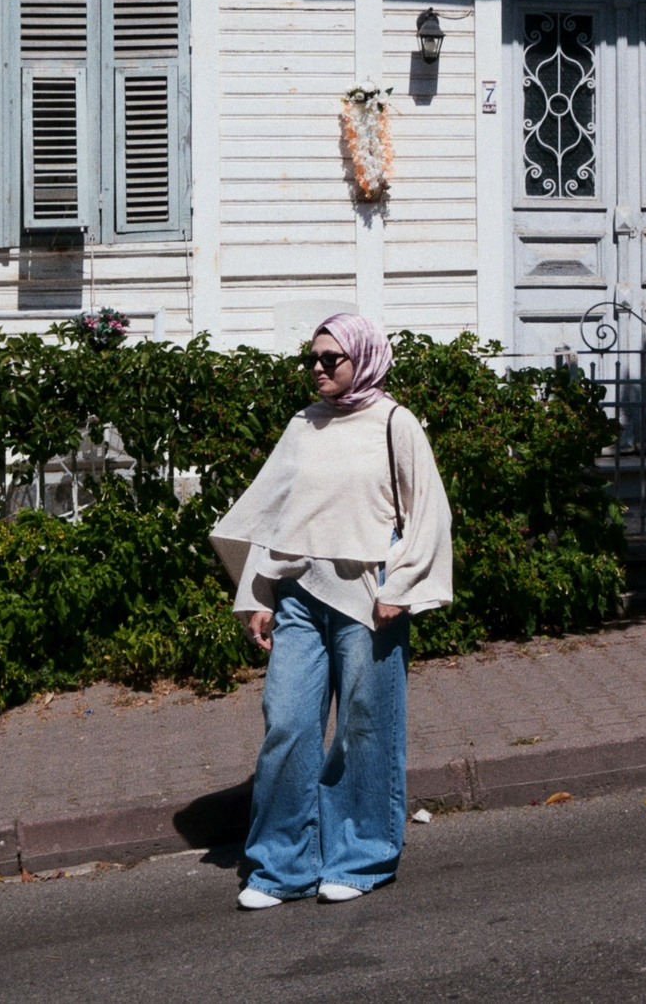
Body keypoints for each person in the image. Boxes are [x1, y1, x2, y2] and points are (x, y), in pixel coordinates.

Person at [211, 314, 453, 908]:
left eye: (331, 359)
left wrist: (400, 586)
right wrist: (258, 593)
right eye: (313, 358)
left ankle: (360, 857)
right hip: (299, 596)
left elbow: (429, 513)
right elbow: (272, 514)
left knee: (364, 731)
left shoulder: (395, 423)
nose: (318, 369)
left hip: (369, 602)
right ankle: (282, 866)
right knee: (289, 724)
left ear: (364, 359)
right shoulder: (303, 426)